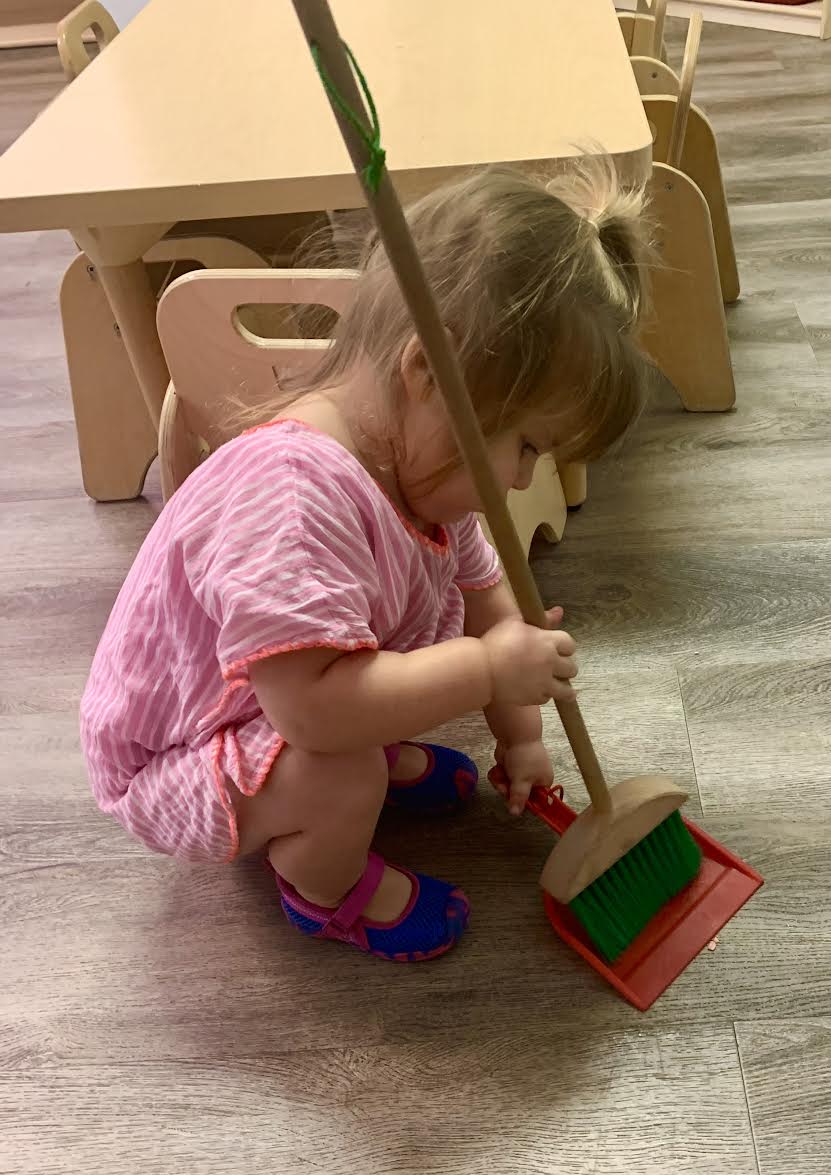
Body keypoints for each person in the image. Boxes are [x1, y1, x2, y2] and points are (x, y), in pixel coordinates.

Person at [81, 164, 651, 963]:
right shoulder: (293, 500)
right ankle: (325, 890)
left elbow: (488, 602)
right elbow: (312, 714)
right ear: (429, 376)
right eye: (526, 445)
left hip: (283, 697)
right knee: (342, 773)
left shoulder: (427, 480)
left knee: (366, 720)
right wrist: (487, 671)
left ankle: (361, 763)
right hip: (179, 755)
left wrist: (520, 736)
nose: (523, 480)